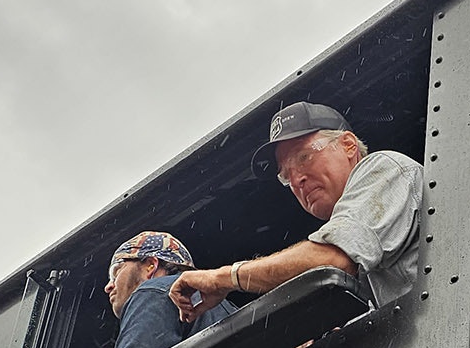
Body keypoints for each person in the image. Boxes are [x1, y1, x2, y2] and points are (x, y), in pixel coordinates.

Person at [169, 102, 423, 321]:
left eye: (304, 157)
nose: (296, 179)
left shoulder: (385, 168)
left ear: (348, 145)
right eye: (285, 175)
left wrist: (223, 277)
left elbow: (332, 258)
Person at [104, 231, 237, 348]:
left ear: (150, 266)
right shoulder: (223, 307)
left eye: (116, 271)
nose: (108, 286)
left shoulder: (152, 291)